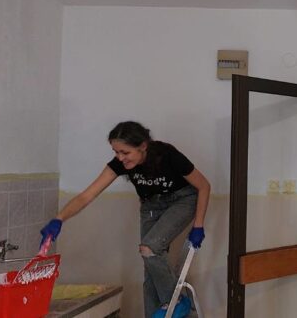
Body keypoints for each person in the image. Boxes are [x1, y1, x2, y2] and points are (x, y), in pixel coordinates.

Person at [39, 122, 211, 318]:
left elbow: (204, 186)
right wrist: (59, 219)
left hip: (182, 200)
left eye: (125, 152)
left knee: (150, 248)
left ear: (143, 146)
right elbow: (87, 195)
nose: (120, 158)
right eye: (116, 152)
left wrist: (198, 225)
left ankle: (176, 301)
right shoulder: (119, 163)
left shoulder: (167, 155)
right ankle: (156, 314)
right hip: (151, 205)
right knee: (150, 266)